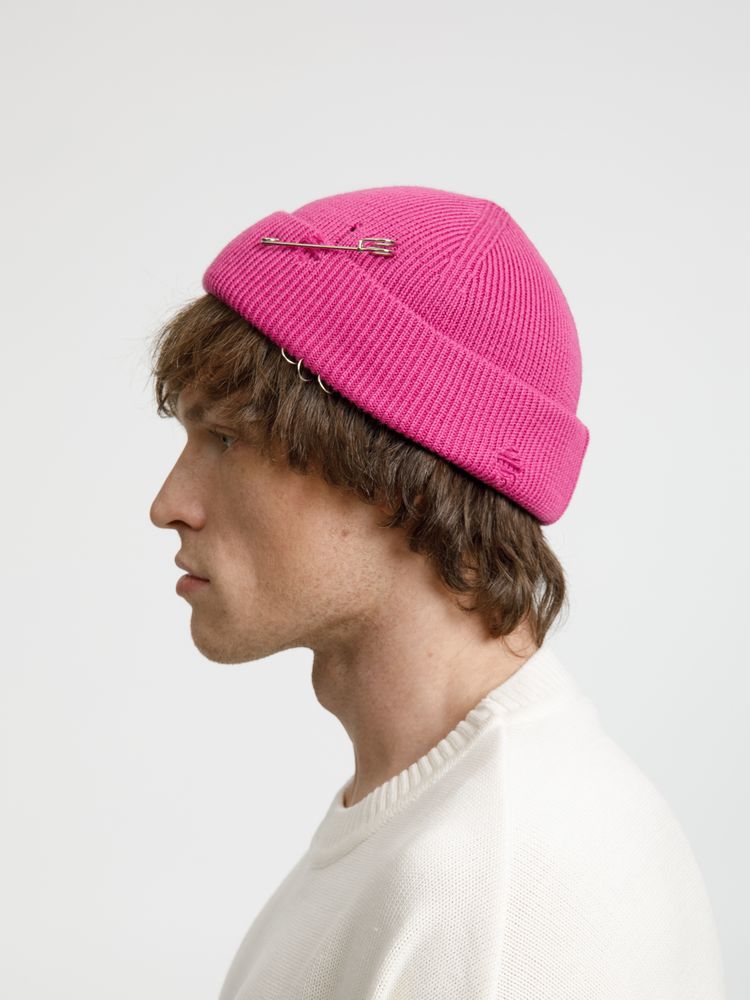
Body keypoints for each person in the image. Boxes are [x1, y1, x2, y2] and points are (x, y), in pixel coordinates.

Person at [148, 185, 726, 999]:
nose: (169, 504)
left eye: (225, 438)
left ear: (404, 474)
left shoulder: (501, 901)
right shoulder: (432, 833)